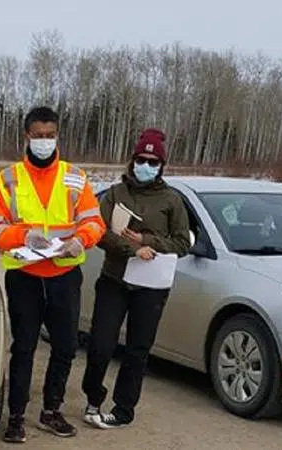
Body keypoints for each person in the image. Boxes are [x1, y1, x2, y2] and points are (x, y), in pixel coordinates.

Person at [0, 106, 106, 443]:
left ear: (57, 136)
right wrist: (23, 236)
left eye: (50, 135)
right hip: (25, 275)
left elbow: (94, 221)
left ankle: (51, 411)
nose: (44, 141)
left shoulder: (75, 177)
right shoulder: (8, 179)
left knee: (66, 347)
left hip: (64, 274)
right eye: (38, 136)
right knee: (23, 348)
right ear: (27, 136)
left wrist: (80, 240)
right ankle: (16, 417)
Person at [80, 127, 191, 429]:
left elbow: (183, 242)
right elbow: (98, 231)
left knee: (138, 349)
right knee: (101, 345)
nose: (146, 166)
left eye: (153, 162)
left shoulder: (172, 200)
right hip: (114, 280)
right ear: (132, 161)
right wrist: (130, 248)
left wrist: (147, 241)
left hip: (151, 286)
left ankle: (123, 409)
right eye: (141, 160)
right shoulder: (116, 193)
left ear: (161, 166)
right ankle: (93, 397)